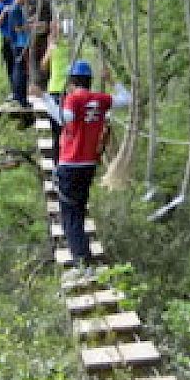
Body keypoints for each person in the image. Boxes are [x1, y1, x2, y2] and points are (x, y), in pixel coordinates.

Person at [42, 59, 130, 280]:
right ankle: (85, 260)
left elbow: (65, 118)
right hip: (88, 164)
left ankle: (82, 264)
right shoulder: (99, 99)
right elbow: (126, 99)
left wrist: (43, 98)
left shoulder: (74, 98)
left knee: (70, 216)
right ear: (89, 81)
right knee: (78, 212)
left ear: (71, 82)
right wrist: (112, 81)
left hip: (70, 163)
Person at [0, 0, 30, 108]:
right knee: (11, 67)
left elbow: (22, 1)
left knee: (21, 66)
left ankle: (21, 92)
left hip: (19, 38)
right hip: (7, 39)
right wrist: (3, 13)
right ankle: (15, 93)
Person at [39, 13, 72, 157]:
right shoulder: (69, 47)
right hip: (64, 91)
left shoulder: (58, 46)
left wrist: (50, 45)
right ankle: (62, 159)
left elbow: (43, 66)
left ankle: (60, 162)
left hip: (58, 91)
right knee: (65, 129)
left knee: (58, 131)